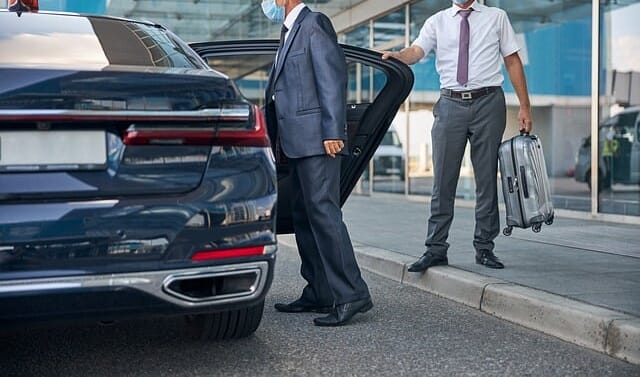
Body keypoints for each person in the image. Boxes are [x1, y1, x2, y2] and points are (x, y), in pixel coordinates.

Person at [382, 0, 533, 271]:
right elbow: (417, 50)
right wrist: (399, 56)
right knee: (442, 180)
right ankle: (436, 248)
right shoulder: (437, 21)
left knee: (486, 178)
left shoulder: (497, 17)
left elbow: (512, 60)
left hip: (488, 102)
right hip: (450, 103)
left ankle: (485, 248)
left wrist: (524, 106)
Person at [261, 0, 372, 326]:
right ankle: (320, 291)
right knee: (305, 218)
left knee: (324, 215)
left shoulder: (315, 24)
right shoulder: (289, 31)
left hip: (317, 141)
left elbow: (331, 79)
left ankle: (352, 294)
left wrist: (332, 130)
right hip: (294, 144)